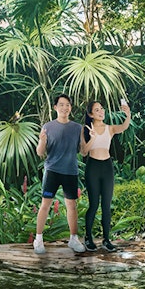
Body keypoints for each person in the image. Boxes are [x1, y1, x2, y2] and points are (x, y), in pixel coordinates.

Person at [33, 94, 87, 255]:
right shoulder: (48, 127)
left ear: (70, 108)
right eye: (61, 105)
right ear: (55, 107)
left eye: (67, 105)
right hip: (52, 172)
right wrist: (42, 140)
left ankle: (73, 239)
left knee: (71, 206)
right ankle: (38, 239)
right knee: (45, 204)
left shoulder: (77, 128)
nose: (65, 107)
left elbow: (84, 152)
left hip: (70, 171)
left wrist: (87, 139)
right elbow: (40, 152)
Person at [81, 98, 132, 252]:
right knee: (94, 204)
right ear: (91, 114)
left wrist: (128, 114)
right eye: (97, 110)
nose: (101, 112)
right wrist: (93, 138)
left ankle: (106, 239)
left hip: (107, 167)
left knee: (106, 206)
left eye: (102, 109)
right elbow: (84, 152)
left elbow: (124, 126)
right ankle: (88, 237)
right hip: (93, 167)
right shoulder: (85, 130)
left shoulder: (110, 128)